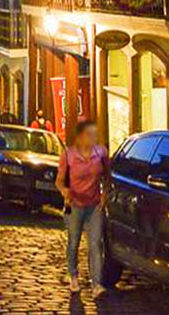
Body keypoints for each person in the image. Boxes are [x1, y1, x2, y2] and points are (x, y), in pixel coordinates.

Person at [56, 120, 109, 298]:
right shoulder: (68, 155)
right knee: (74, 242)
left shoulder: (101, 153)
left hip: (94, 205)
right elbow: (59, 180)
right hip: (75, 205)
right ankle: (73, 276)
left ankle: (96, 284)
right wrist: (65, 191)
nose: (93, 138)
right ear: (79, 137)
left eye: (95, 134)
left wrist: (104, 193)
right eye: (89, 134)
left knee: (95, 243)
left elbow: (107, 175)